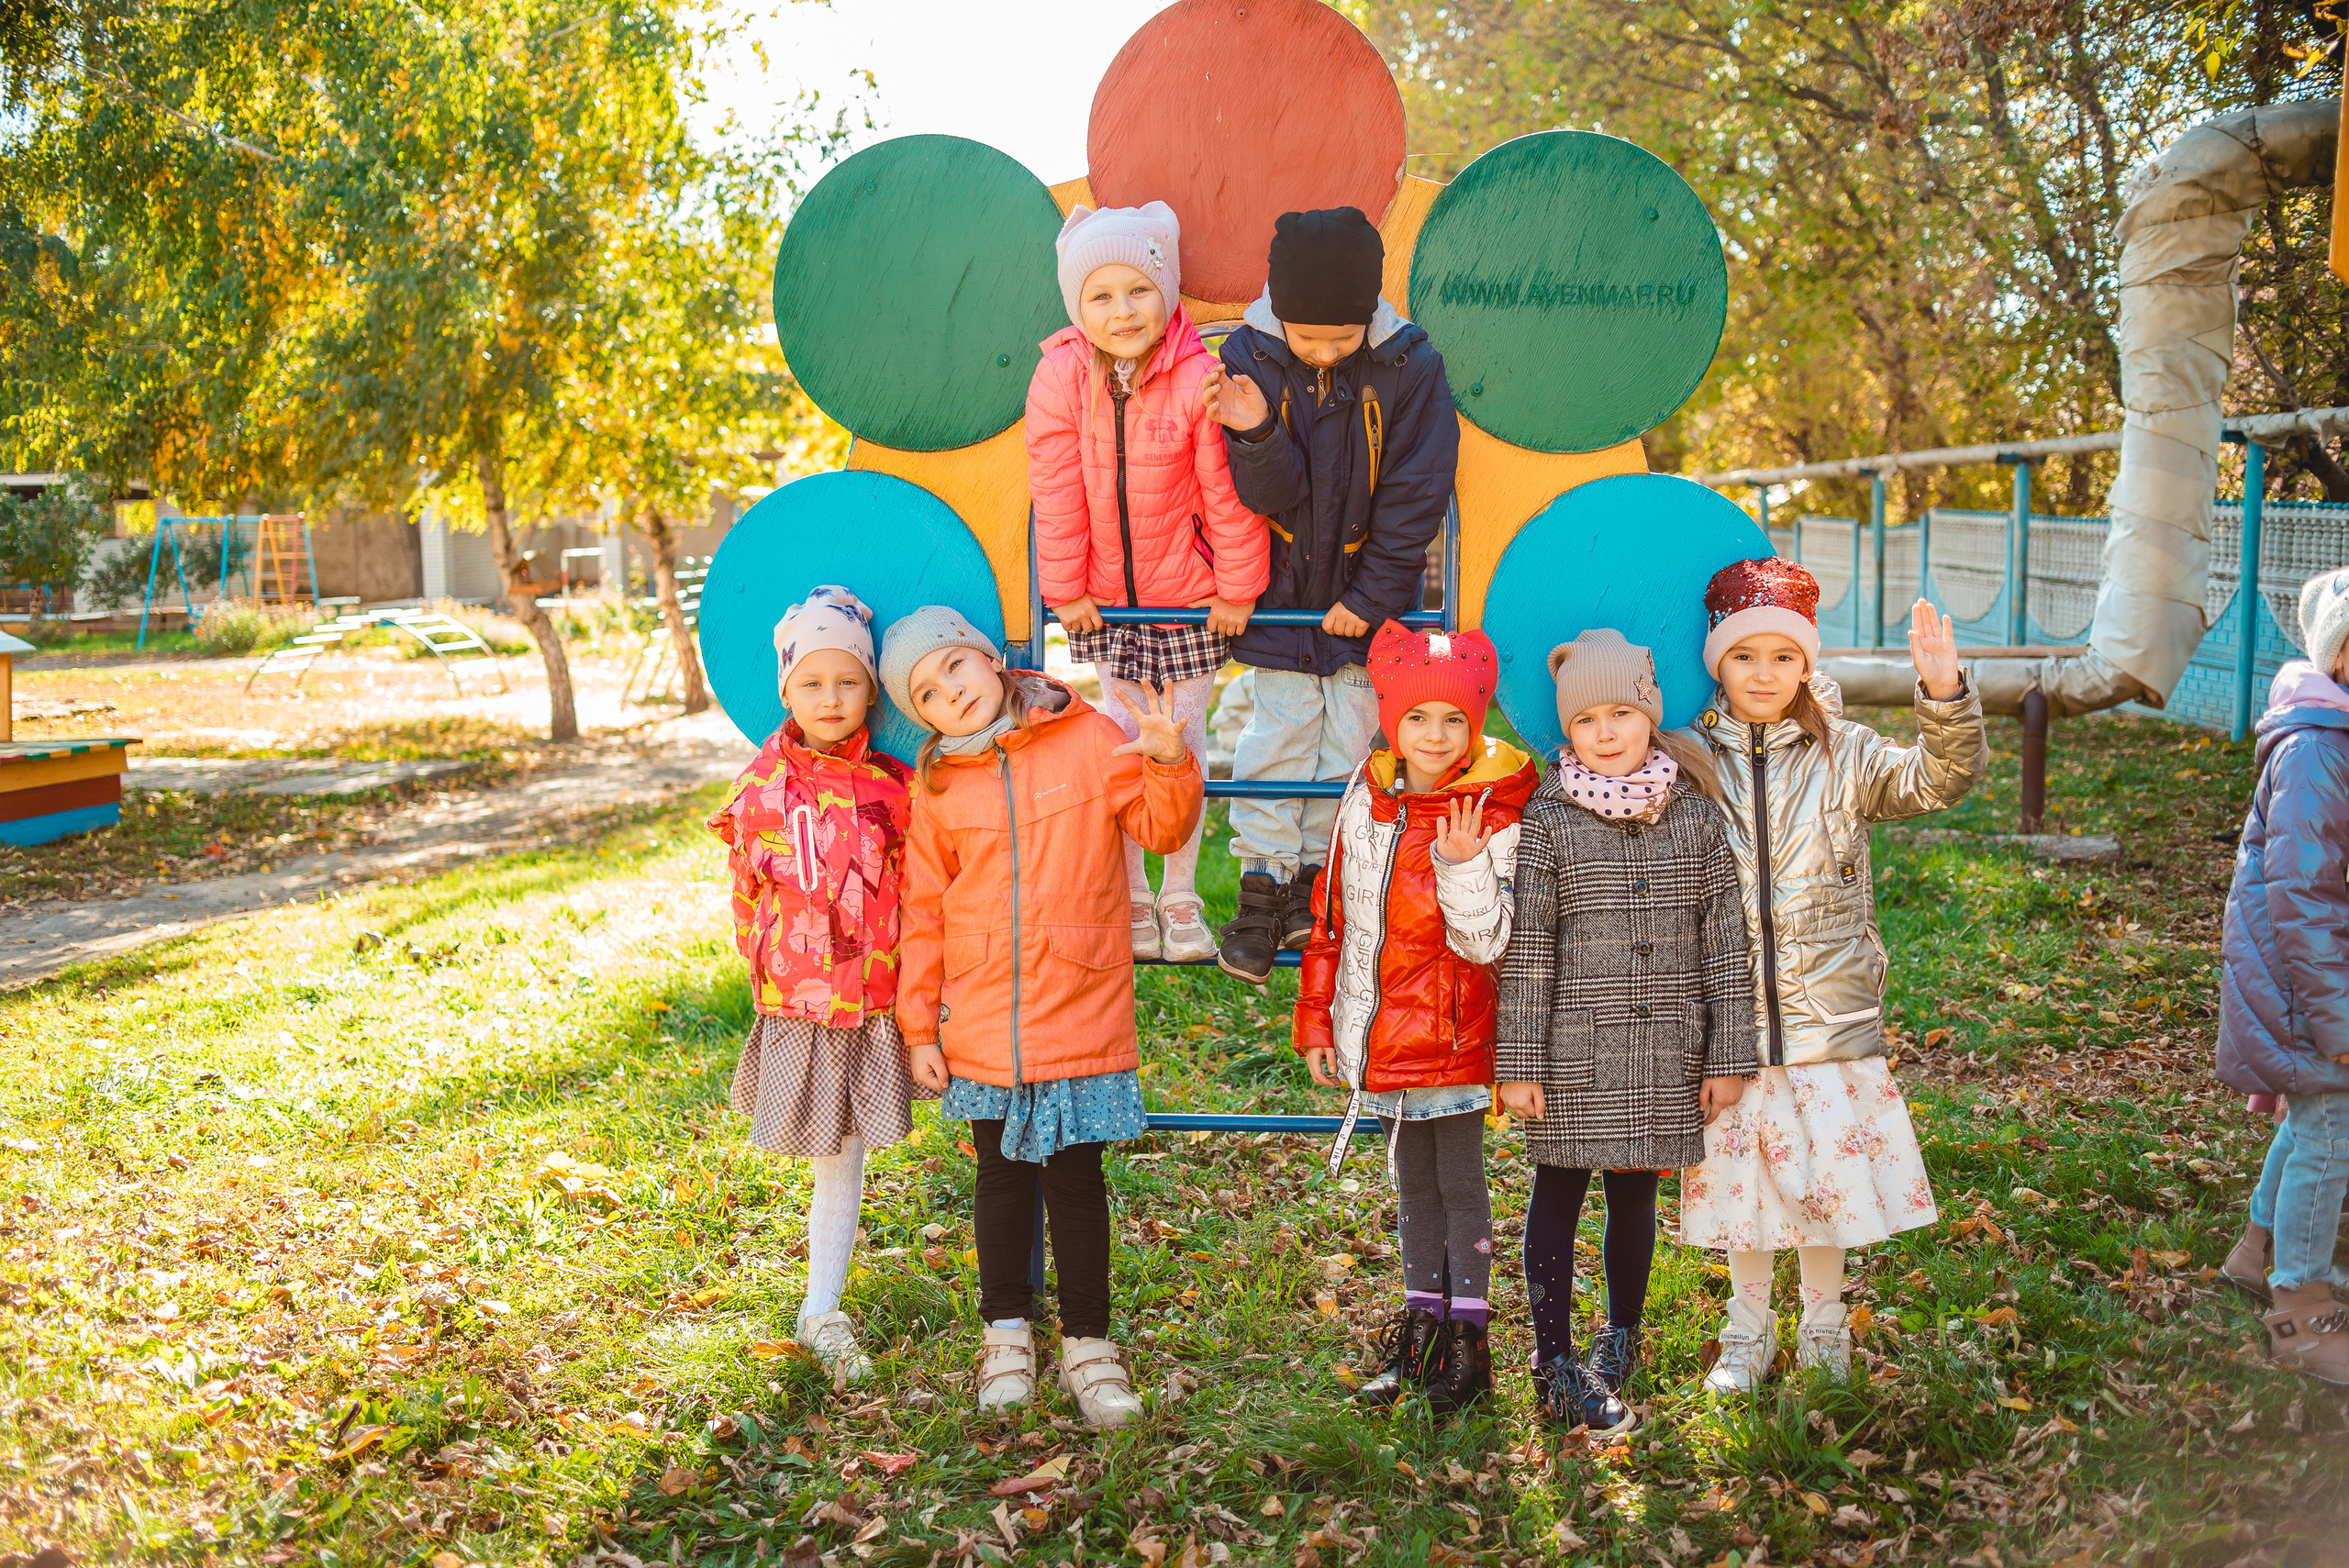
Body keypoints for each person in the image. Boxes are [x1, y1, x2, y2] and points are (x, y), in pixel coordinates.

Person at [884, 606, 1204, 1429]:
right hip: (983, 1011)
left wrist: (1170, 761)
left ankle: (1089, 1347)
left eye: (955, 667)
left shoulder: (1086, 735)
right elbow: (923, 910)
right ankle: (1005, 1335)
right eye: (925, 692)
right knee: (999, 1178)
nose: (948, 691)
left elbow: (1161, 826)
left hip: (1078, 1003)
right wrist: (919, 1025)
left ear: (992, 660)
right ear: (918, 715)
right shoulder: (940, 786)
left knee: (1074, 1181)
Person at [1675, 559, 1984, 1393]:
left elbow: (1939, 778)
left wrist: (1945, 694)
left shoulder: (1845, 753)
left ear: (1808, 664)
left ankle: (1821, 1323)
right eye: (1745, 657)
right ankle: (1745, 1330)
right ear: (1717, 664)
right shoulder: (1692, 759)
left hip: (1829, 1015)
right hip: (1731, 1019)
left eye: (1783, 656)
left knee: (1823, 1186)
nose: (1764, 673)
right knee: (1744, 1185)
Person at [1496, 630, 1755, 1434]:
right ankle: (1554, 1359)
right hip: (1575, 1048)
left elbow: (1725, 941)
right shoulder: (1548, 817)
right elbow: (1529, 945)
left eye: (1621, 713)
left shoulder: (1696, 816)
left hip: (1665, 1044)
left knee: (1636, 1187)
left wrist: (1730, 1050)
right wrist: (1519, 1061)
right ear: (1565, 733)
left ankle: (1622, 1335)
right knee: (1560, 1188)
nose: (1605, 732)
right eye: (1586, 721)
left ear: (1649, 716)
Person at [1200, 206, 1459, 984]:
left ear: (1369, 314)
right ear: (1279, 315)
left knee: (1350, 742)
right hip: (1284, 598)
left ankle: (1320, 885)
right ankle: (1263, 883)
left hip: (1366, 606)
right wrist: (1252, 432)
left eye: (1340, 339)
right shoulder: (1250, 357)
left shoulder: (1409, 365)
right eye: (1306, 337)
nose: (1321, 351)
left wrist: (1376, 593)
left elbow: (1417, 489)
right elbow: (1269, 497)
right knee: (1275, 739)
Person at [1295, 622, 1537, 1416]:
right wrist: (1318, 1017)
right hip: (1382, 1028)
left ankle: (1469, 1342)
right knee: (1412, 1186)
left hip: (1458, 1032)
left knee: (1461, 1183)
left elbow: (1489, 938)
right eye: (1419, 718)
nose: (1435, 736)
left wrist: (1464, 864)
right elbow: (1334, 914)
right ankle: (1420, 1327)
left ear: (1476, 727)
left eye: (1455, 721)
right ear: (1392, 721)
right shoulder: (1366, 795)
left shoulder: (1493, 811)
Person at [1028, 202, 1268, 964]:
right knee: (1127, 739)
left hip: (1190, 597)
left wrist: (1236, 587)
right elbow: (1056, 487)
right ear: (1077, 306)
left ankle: (1181, 893)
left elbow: (1225, 496)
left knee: (1182, 739)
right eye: (1101, 295)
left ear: (1166, 296)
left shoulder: (1197, 375)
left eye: (1138, 291)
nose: (1122, 310)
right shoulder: (1061, 376)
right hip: (1109, 603)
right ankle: (1132, 891)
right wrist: (1065, 587)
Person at [708, 585, 924, 1385]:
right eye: (812, 683)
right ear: (787, 689)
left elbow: (917, 889)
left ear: (871, 688)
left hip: (874, 998)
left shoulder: (897, 788)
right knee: (830, 1152)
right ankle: (820, 1307)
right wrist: (768, 970)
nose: (830, 699)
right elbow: (745, 891)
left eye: (847, 682)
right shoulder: (762, 785)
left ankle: (821, 1303)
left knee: (851, 1152)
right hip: (801, 1001)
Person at [2216, 565, 2349, 1386]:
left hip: (2316, 977)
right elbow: (2302, 895)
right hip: (2309, 984)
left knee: (2314, 1122)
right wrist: (2338, 1025)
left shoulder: (2333, 738)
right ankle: (2302, 1309)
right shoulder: (2316, 749)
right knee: (2332, 1131)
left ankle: (2255, 1250)